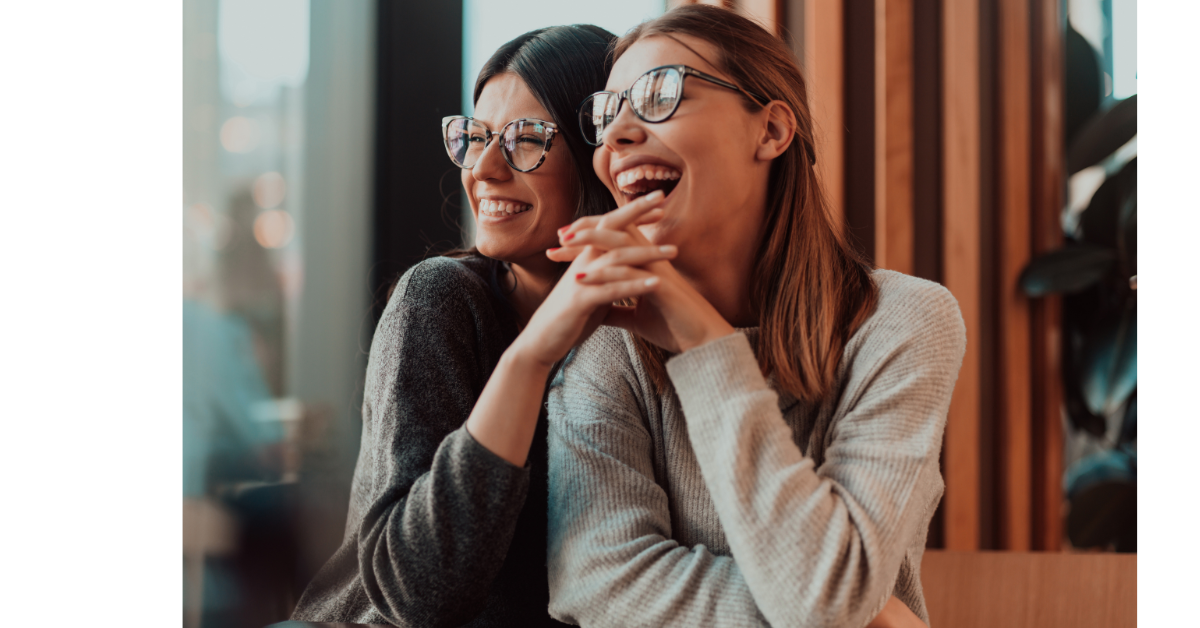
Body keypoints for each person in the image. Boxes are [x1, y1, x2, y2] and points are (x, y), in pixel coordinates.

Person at [545, 6, 965, 628]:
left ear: (770, 131)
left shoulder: (903, 320)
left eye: (659, 94)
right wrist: (866, 620)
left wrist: (702, 337)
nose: (616, 136)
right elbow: (598, 580)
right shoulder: (610, 339)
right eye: (606, 114)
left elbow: (827, 593)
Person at [291, 25, 680, 626]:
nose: (486, 167)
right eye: (475, 138)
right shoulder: (442, 298)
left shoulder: (653, 326)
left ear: (598, 152)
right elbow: (418, 594)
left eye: (527, 139)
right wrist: (531, 360)